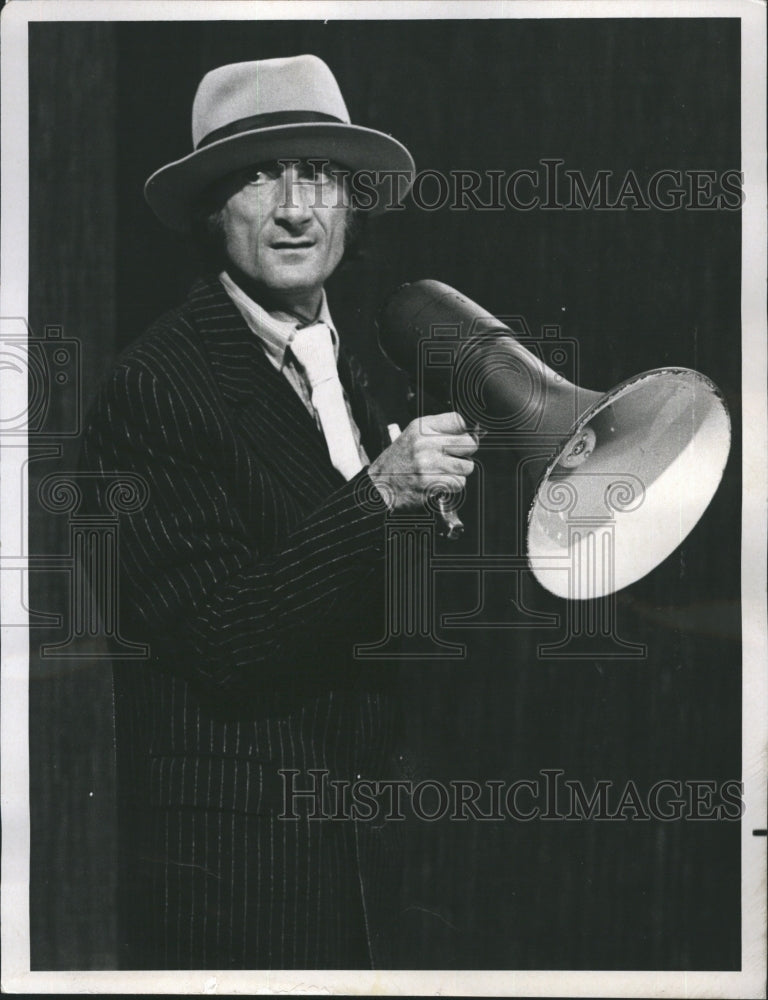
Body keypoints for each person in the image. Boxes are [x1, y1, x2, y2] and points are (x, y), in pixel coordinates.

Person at [80, 54, 478, 970]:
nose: (298, 206)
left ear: (353, 203)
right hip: (242, 874)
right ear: (212, 208)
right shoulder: (155, 385)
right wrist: (381, 494)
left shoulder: (366, 364)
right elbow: (221, 637)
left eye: (325, 174)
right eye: (261, 175)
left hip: (386, 861)